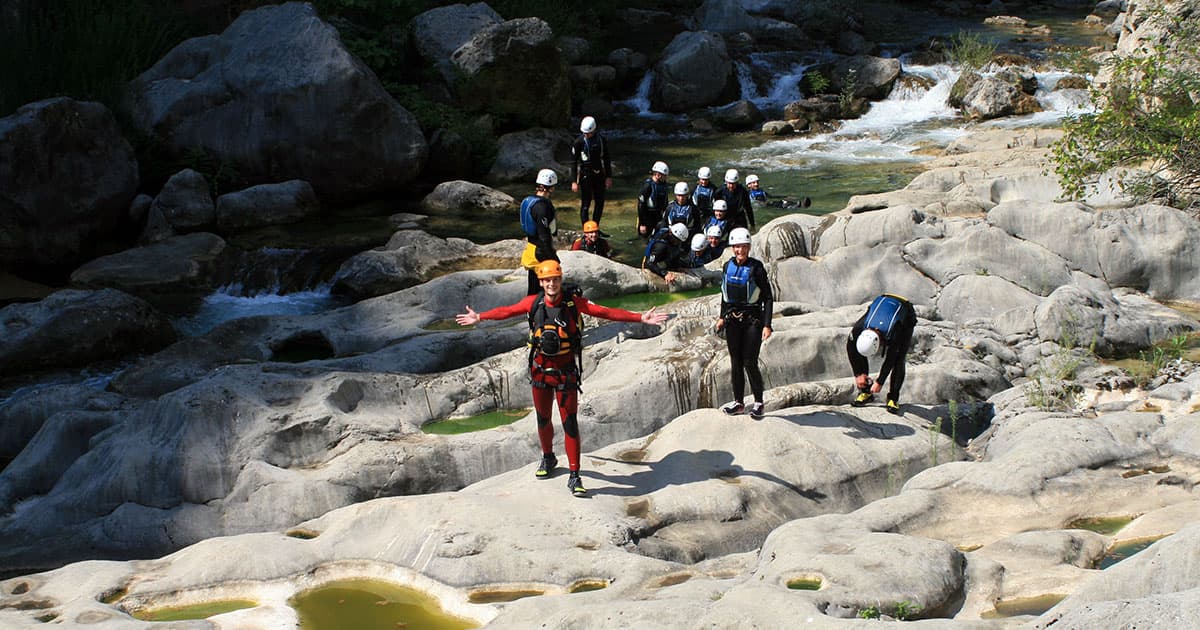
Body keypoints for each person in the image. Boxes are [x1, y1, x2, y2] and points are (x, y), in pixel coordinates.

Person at [455, 260, 669, 497]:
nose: (552, 284)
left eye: (555, 279)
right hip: (540, 372)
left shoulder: (573, 303)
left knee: (570, 424)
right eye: (547, 280)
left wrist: (639, 318)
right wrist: (480, 316)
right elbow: (507, 311)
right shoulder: (533, 302)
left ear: (560, 280)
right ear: (541, 282)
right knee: (543, 420)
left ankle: (575, 475)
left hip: (565, 373)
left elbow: (604, 312)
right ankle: (548, 458)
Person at [714, 227, 772, 419]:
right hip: (732, 320)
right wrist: (722, 317)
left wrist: (767, 324)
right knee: (735, 362)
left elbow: (768, 298)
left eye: (743, 247)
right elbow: (725, 295)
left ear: (748, 247)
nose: (740, 250)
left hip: (752, 320)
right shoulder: (727, 267)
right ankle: (739, 403)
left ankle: (758, 403)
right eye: (737, 247)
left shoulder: (756, 268)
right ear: (732, 248)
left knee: (749, 362)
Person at [847, 294, 918, 415]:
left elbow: (891, 359)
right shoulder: (859, 328)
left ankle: (893, 398)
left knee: (899, 358)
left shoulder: (894, 333)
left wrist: (880, 381)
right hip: (882, 301)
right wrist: (858, 374)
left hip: (905, 314)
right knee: (858, 352)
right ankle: (865, 392)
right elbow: (850, 347)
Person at [519, 168, 559, 295]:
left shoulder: (528, 200)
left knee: (532, 288)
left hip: (531, 248)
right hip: (541, 252)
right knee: (545, 290)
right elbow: (544, 236)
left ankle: (529, 312)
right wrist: (553, 258)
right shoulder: (542, 207)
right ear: (551, 188)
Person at [570, 116, 613, 233]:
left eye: (588, 133)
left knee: (599, 202)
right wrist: (574, 181)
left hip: (599, 175)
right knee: (586, 203)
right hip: (585, 175)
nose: (586, 135)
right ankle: (586, 229)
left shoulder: (601, 140)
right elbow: (574, 162)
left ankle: (595, 227)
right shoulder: (579, 142)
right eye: (584, 133)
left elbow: (606, 158)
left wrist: (609, 177)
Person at [636, 161, 670, 237]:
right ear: (658, 175)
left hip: (658, 216)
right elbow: (641, 205)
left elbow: (665, 203)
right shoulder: (648, 186)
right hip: (647, 216)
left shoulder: (664, 186)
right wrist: (642, 223)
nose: (666, 178)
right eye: (664, 176)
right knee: (645, 238)